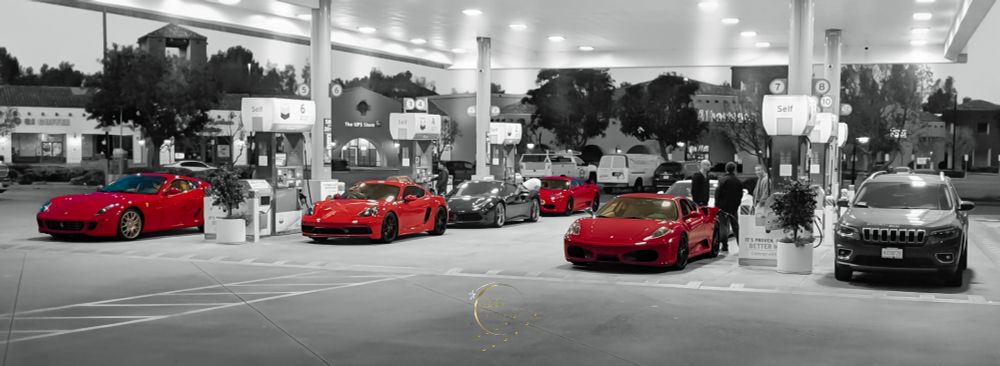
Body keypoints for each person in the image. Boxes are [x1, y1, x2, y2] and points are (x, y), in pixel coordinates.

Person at [715, 162, 743, 251]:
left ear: (726, 169)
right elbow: (740, 195)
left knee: (723, 226)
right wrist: (736, 205)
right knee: (735, 227)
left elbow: (717, 194)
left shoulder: (722, 180)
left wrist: (717, 205)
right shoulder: (737, 181)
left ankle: (725, 246)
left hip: (722, 208)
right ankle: (741, 245)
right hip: (733, 208)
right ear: (734, 169)